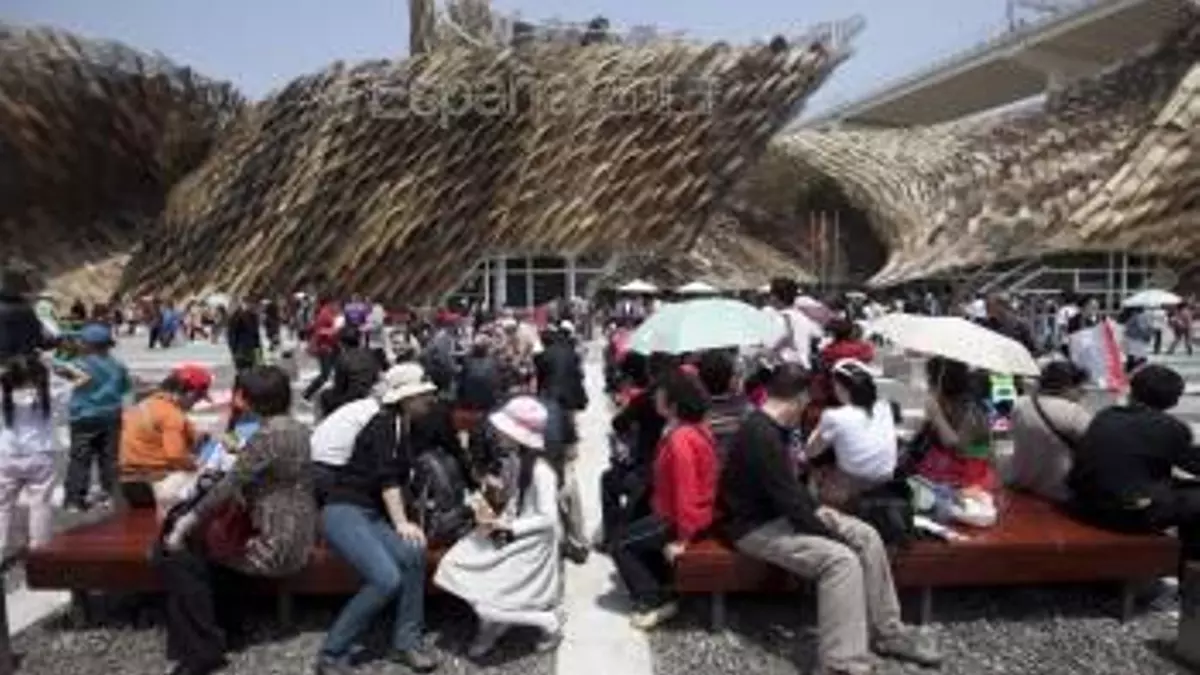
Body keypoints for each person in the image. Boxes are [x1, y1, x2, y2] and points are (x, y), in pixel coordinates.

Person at [720, 364, 940, 675]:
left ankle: (887, 631)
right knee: (840, 560)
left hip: (785, 513)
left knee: (866, 536)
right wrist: (827, 532)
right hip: (756, 527)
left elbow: (792, 494)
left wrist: (822, 516)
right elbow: (789, 502)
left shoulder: (772, 428)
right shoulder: (760, 435)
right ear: (800, 398)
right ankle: (841, 662)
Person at [156, 366, 316, 675]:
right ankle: (230, 628)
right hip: (300, 534)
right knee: (208, 549)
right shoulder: (297, 429)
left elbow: (227, 486)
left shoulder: (266, 436)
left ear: (246, 399)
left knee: (178, 555)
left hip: (274, 547)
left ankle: (200, 649)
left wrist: (183, 525)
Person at [314, 364, 440, 674]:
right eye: (423, 394)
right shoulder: (384, 424)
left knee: (413, 553)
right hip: (344, 510)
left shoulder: (404, 426)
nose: (430, 399)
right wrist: (401, 523)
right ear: (405, 398)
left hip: (370, 514)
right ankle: (332, 652)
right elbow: (388, 480)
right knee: (386, 579)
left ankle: (406, 642)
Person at [434, 396, 564, 659]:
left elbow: (549, 518)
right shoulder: (516, 459)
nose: (497, 433)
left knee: (484, 600)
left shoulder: (541, 470)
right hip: (509, 529)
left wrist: (507, 526)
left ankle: (547, 621)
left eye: (503, 429)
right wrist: (488, 497)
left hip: (530, 542)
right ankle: (494, 625)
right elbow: (511, 498)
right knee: (456, 564)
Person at [1068, 364, 1200, 571]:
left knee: (1180, 490)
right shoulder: (1170, 427)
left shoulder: (1106, 415)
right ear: (1172, 400)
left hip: (1085, 505)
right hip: (1125, 515)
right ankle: (1190, 567)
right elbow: (1194, 464)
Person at [613, 370, 718, 630]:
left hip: (679, 517)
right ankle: (661, 586)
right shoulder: (686, 430)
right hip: (676, 511)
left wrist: (683, 539)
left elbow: (686, 490)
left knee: (620, 545)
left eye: (659, 395)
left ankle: (655, 600)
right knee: (632, 533)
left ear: (674, 403)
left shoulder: (680, 439)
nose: (653, 398)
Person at [805, 359, 898, 509]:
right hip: (886, 479)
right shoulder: (885, 406)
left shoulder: (834, 416)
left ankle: (817, 513)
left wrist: (819, 427)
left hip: (852, 484)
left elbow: (811, 451)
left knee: (814, 473)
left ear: (839, 386)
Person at [59, 323, 131, 512]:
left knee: (80, 457)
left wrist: (63, 352)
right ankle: (110, 495)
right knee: (109, 458)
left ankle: (74, 499)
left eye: (81, 341)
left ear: (88, 344)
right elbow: (125, 388)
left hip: (83, 416)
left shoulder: (78, 365)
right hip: (110, 415)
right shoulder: (118, 366)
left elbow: (59, 372)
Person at [118, 364, 212, 508]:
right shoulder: (172, 415)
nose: (195, 404)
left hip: (124, 482)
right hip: (153, 484)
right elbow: (175, 457)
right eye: (197, 399)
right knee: (209, 477)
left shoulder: (143, 406)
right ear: (190, 393)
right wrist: (196, 466)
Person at [0, 355, 66, 556]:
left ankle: (1, 548)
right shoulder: (51, 393)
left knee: (3, 506)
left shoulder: (4, 393)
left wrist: (6, 373)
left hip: (7, 454)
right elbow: (82, 379)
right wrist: (54, 363)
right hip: (41, 454)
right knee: (40, 504)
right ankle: (39, 549)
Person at [1009, 361, 1091, 503]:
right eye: (1080, 389)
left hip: (1020, 487)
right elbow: (1095, 447)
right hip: (1057, 494)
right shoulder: (1074, 413)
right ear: (1068, 387)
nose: (1083, 393)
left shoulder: (1020, 405)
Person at [763, 277, 823, 369]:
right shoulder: (803, 317)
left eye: (770, 295)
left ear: (775, 297)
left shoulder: (779, 318)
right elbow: (818, 335)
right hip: (804, 367)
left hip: (785, 369)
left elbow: (775, 341)